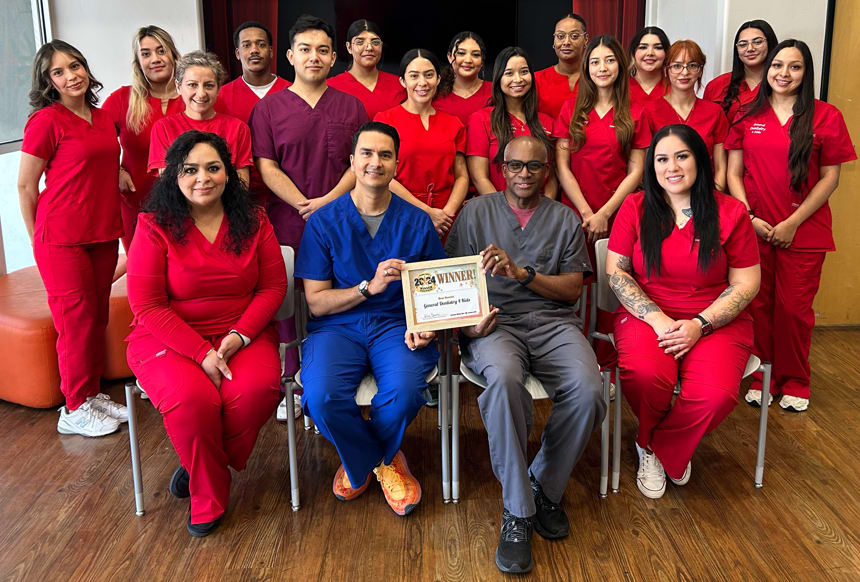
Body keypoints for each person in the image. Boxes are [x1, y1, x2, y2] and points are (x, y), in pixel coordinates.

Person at [445, 135, 605, 574]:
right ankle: (517, 510)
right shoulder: (475, 213)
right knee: (503, 381)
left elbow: (572, 290)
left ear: (546, 171)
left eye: (534, 166)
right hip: (495, 324)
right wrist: (468, 328)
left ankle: (543, 487)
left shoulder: (564, 219)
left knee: (589, 390)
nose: (524, 174)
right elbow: (453, 281)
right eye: (515, 165)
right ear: (502, 168)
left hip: (554, 322)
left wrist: (521, 273)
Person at [126, 130, 287, 537]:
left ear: (228, 173)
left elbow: (273, 288)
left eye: (213, 168)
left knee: (256, 393)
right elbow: (147, 305)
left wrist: (239, 336)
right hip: (168, 337)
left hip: (241, 333)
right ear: (173, 175)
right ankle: (208, 495)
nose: (203, 178)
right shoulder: (153, 225)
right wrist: (202, 354)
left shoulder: (254, 220)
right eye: (190, 170)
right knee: (192, 401)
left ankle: (201, 462)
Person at [295, 122, 444, 516]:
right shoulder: (324, 221)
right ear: (352, 161)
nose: (375, 162)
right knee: (321, 397)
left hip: (396, 324)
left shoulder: (416, 221)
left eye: (385, 155)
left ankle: (359, 461)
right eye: (366, 153)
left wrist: (427, 324)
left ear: (396, 164)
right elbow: (317, 303)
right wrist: (367, 287)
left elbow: (434, 291)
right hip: (337, 327)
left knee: (405, 392)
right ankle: (380, 460)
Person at [607, 125, 760, 499]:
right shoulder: (635, 207)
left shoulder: (731, 212)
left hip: (715, 318)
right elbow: (617, 272)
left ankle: (658, 445)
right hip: (648, 315)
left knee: (715, 394)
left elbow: (746, 283)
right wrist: (657, 318)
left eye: (681, 156)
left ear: (700, 160)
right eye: (661, 159)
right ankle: (653, 443)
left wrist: (699, 324)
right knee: (645, 374)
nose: (671, 167)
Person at [725, 39, 856, 412]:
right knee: (757, 306)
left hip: (804, 232)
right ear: (767, 69)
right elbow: (733, 173)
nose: (784, 73)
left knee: (793, 311)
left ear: (806, 73)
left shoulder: (826, 116)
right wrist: (749, 218)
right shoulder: (746, 115)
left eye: (794, 67)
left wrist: (793, 223)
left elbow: (830, 178)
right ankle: (762, 377)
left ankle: (796, 380)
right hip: (754, 230)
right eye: (777, 65)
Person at [18, 40, 126, 437]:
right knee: (75, 321)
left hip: (102, 233)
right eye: (59, 72)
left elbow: (101, 164)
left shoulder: (102, 117)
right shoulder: (46, 121)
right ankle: (74, 407)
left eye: (75, 66)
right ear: (48, 81)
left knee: (96, 317)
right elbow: (25, 186)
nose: (71, 76)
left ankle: (91, 394)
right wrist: (37, 240)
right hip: (61, 238)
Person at [554, 34, 651, 372]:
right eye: (595, 61)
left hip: (619, 214)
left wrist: (605, 213)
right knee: (573, 288)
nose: (602, 67)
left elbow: (637, 170)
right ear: (586, 68)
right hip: (575, 214)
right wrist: (587, 212)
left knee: (613, 287)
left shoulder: (636, 112)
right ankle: (574, 364)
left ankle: (608, 365)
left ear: (620, 66)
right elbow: (562, 167)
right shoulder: (570, 109)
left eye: (609, 60)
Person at [250, 14, 368, 250]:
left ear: (332, 58)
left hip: (342, 218)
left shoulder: (353, 107)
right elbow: (267, 167)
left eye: (322, 50)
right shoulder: (267, 109)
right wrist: (304, 206)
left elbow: (360, 162)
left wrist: (327, 203)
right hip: (289, 222)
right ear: (290, 56)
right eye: (305, 49)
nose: (314, 57)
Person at [102, 26, 184, 252]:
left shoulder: (195, 96)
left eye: (161, 51)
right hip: (136, 205)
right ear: (138, 62)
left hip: (191, 205)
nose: (155, 59)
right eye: (146, 54)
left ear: (173, 55)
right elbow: (94, 143)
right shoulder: (122, 99)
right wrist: (116, 171)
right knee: (142, 268)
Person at [374, 49, 468, 234]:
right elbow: (383, 175)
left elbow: (462, 176)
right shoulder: (385, 120)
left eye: (429, 75)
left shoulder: (454, 123)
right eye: (414, 76)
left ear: (438, 79)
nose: (422, 82)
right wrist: (427, 212)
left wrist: (447, 215)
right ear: (403, 81)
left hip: (446, 219)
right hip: (401, 211)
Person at [148, 51, 253, 186]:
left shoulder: (238, 128)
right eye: (192, 85)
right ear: (178, 87)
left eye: (209, 85)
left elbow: (242, 185)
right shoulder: (163, 128)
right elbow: (168, 185)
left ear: (218, 89)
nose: (201, 93)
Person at [466, 47, 556, 197]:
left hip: (540, 207)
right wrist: (503, 209)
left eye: (524, 71)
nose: (518, 79)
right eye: (509, 73)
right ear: (498, 78)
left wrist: (544, 210)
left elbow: (551, 177)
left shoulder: (547, 122)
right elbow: (479, 177)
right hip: (496, 207)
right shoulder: (481, 119)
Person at [648, 40, 729, 191]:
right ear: (666, 70)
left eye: (692, 65)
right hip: (664, 196)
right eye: (677, 66)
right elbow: (647, 167)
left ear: (700, 71)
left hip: (706, 195)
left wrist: (712, 197)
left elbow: (720, 167)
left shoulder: (715, 112)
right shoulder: (650, 111)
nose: (684, 72)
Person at [327, 19, 405, 119]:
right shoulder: (331, 87)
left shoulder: (400, 84)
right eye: (360, 42)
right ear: (349, 47)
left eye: (375, 42)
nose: (369, 48)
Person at [216, 21, 291, 127]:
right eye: (246, 45)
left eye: (261, 45)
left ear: (271, 51)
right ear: (238, 54)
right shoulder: (221, 96)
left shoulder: (292, 92)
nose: (254, 50)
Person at [703, 20, 778, 120]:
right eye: (743, 44)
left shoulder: (782, 82)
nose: (750, 48)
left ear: (770, 43)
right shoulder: (716, 86)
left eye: (757, 42)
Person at [534, 13, 588, 119]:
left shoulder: (596, 77)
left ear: (586, 39)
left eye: (574, 36)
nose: (566, 42)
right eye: (560, 36)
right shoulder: (537, 80)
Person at [433, 31, 492, 125]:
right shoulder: (434, 93)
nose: (468, 60)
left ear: (482, 60)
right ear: (449, 57)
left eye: (475, 55)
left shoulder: (495, 91)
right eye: (461, 53)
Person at [627, 26, 670, 109]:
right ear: (633, 53)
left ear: (667, 53)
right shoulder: (620, 88)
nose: (650, 53)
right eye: (643, 47)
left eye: (658, 47)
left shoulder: (675, 89)